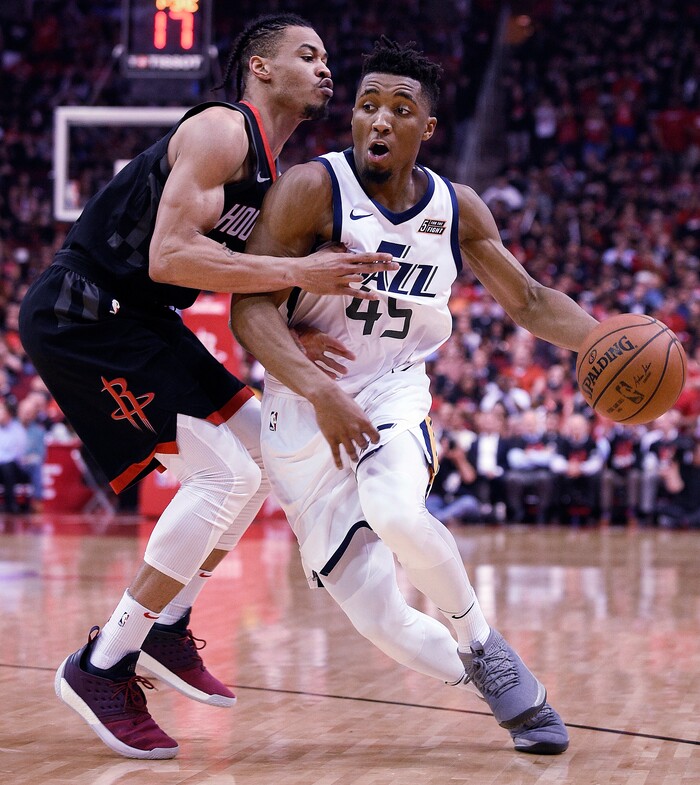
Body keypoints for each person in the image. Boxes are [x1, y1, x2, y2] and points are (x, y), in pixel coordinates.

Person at [18, 14, 395, 760]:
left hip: (143, 318)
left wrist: (299, 323)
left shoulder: (276, 175)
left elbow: (234, 281)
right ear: (259, 67)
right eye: (307, 54)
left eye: (327, 58)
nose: (326, 68)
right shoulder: (225, 129)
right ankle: (102, 663)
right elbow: (169, 254)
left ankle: (166, 623)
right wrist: (298, 270)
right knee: (220, 474)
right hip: (85, 312)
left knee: (262, 457)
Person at [231, 37, 601, 755]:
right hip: (302, 408)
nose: (377, 120)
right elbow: (250, 310)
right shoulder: (313, 188)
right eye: (367, 104)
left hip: (393, 390)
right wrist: (317, 388)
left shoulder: (456, 209)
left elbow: (526, 299)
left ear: (424, 129)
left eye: (399, 109)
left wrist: (602, 341)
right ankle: (487, 668)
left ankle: (484, 649)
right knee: (380, 620)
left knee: (396, 509)